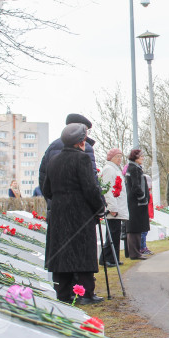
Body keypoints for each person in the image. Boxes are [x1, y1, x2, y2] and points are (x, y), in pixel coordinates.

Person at [42, 123, 106, 304]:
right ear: (80, 142)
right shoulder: (82, 159)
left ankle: (63, 293)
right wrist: (99, 207)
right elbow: (90, 188)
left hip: (59, 213)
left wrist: (61, 199)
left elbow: (46, 189)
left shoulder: (54, 160)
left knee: (63, 252)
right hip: (80, 214)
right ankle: (85, 294)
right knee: (82, 252)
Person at [39, 113, 98, 211]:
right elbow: (91, 181)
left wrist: (52, 200)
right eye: (86, 131)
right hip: (79, 209)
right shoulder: (84, 146)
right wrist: (98, 206)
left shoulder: (52, 146)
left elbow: (43, 179)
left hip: (56, 208)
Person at [99, 148, 128, 266]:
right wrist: (112, 208)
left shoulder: (115, 169)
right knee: (112, 234)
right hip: (113, 208)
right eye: (117, 157)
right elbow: (107, 190)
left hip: (117, 206)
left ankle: (113, 258)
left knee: (115, 234)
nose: (120, 159)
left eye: (121, 157)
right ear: (111, 158)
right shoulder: (109, 170)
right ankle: (106, 259)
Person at [124, 149, 150, 261]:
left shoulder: (133, 168)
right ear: (135, 157)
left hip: (134, 202)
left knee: (135, 228)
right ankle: (135, 253)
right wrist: (142, 198)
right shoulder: (134, 169)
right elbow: (136, 186)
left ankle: (135, 252)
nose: (143, 158)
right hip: (136, 203)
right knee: (135, 228)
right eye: (141, 156)